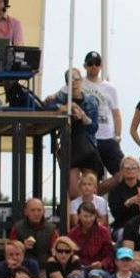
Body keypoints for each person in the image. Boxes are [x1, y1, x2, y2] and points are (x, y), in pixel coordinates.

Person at [45, 69, 103, 198]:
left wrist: (83, 116)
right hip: (70, 146)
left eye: (76, 79)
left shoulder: (91, 101)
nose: (73, 82)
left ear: (81, 81)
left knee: (91, 188)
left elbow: (94, 128)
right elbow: (47, 108)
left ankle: (91, 214)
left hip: (87, 145)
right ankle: (74, 215)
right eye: (70, 80)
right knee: (73, 191)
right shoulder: (62, 98)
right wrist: (63, 107)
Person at [81, 51, 125, 190]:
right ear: (85, 66)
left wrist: (117, 135)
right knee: (90, 177)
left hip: (107, 136)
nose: (94, 67)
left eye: (97, 64)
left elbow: (116, 113)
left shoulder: (110, 88)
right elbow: (61, 94)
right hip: (87, 137)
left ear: (101, 66)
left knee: (123, 173)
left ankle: (94, 194)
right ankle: (90, 194)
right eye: (90, 64)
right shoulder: (79, 83)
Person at [67, 202, 114, 278]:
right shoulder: (72, 234)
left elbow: (109, 255)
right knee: (76, 277)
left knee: (94, 274)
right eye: (85, 216)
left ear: (95, 216)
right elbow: (71, 256)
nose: (88, 219)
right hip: (81, 268)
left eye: (91, 216)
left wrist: (101, 264)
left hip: (101, 269)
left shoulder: (104, 231)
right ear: (79, 215)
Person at [9, 197, 59, 269]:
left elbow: (57, 250)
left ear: (44, 212)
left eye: (39, 210)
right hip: (23, 268)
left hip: (45, 268)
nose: (36, 213)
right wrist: (22, 247)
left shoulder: (51, 229)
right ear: (26, 212)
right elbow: (9, 252)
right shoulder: (17, 228)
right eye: (32, 210)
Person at [107, 156, 140, 242]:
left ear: (139, 170)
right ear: (122, 170)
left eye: (133, 166)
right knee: (123, 234)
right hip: (122, 226)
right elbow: (115, 213)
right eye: (127, 167)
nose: (130, 169)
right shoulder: (115, 190)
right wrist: (129, 202)